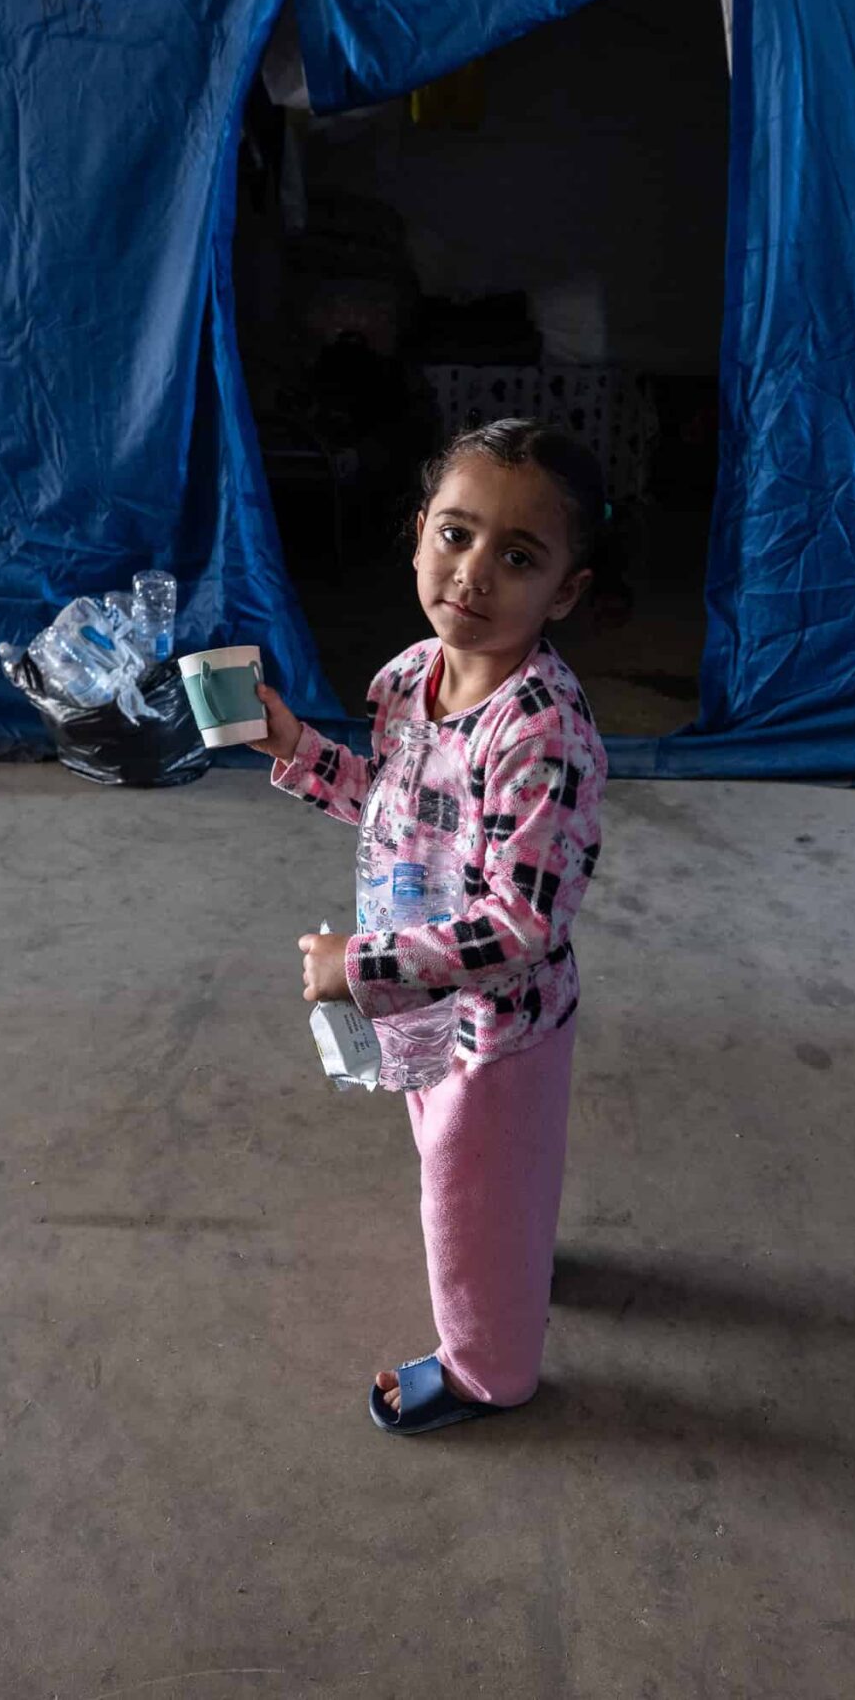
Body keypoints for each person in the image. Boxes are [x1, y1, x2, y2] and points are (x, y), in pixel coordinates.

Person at [253, 418, 611, 1436]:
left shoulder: (543, 735)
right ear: (417, 536)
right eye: (455, 535)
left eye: (519, 556)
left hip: (498, 1027)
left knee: (466, 1196)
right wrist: (300, 750)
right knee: (491, 1175)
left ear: (566, 594)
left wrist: (358, 962)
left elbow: (524, 925)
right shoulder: (414, 677)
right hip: (427, 1006)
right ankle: (519, 1263)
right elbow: (398, 809)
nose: (474, 573)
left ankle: (484, 1370)